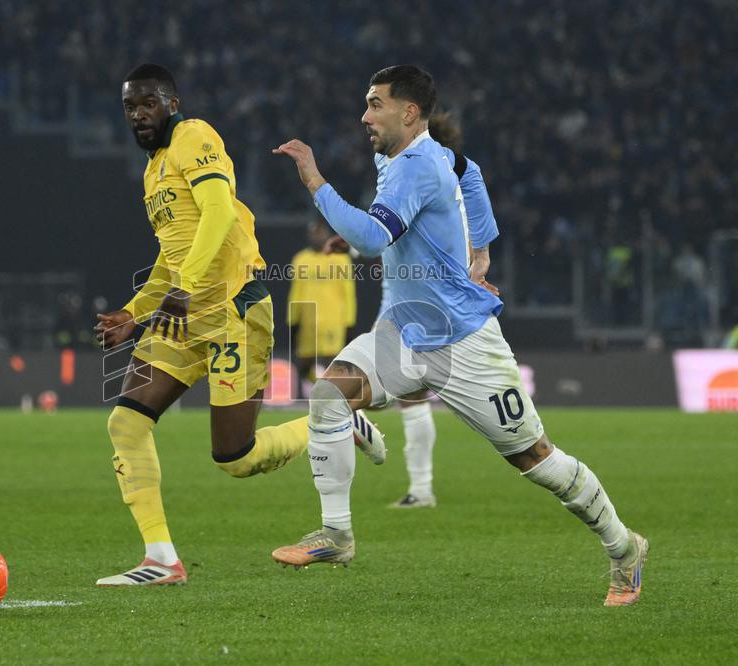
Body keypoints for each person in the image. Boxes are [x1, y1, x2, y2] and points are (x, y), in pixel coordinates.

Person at [271, 65, 647, 606]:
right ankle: (336, 534)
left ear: (409, 112)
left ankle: (623, 547)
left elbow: (375, 237)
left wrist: (313, 178)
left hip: (463, 342)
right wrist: (483, 245)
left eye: (375, 104)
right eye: (365, 103)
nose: (364, 115)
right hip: (405, 332)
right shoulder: (401, 156)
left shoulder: (419, 165)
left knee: (536, 460)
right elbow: (469, 170)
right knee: (330, 394)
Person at [93, 64, 384, 587]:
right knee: (126, 423)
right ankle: (161, 559)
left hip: (233, 309)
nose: (138, 114)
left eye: (148, 103)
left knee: (236, 457)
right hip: (181, 316)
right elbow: (170, 255)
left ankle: (338, 423)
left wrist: (183, 289)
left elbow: (219, 214)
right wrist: (133, 314)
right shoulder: (152, 171)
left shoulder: (194, 137)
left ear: (172, 104)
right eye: (130, 107)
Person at [326, 111, 500, 509]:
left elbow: (390, 234)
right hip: (416, 306)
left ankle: (363, 429)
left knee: (399, 391)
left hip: (416, 307)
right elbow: (392, 232)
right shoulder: (442, 180)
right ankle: (418, 485)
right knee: (411, 394)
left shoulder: (420, 175)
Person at [288, 218, 356, 399]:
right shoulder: (301, 259)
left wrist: (349, 322)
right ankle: (318, 391)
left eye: (320, 233)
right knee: (304, 363)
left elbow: (348, 292)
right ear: (309, 236)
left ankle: (334, 397)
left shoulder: (341, 258)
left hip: (333, 319)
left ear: (326, 234)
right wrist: (292, 320)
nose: (317, 237)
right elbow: (296, 292)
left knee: (331, 361)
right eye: (314, 233)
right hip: (308, 321)